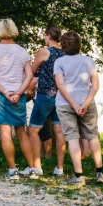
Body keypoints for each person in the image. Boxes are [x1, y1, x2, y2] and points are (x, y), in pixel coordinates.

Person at [53, 31, 103, 187]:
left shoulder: (59, 62)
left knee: (72, 138)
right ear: (79, 44)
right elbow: (95, 85)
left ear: (63, 45)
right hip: (87, 103)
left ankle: (79, 175)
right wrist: (85, 104)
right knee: (93, 136)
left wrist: (74, 105)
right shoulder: (88, 61)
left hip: (65, 104)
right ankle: (100, 173)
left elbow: (60, 85)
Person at [0, 19, 35, 180]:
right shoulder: (22, 51)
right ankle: (33, 169)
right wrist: (19, 93)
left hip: (0, 95)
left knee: (5, 133)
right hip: (18, 96)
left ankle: (13, 170)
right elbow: (29, 75)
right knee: (21, 132)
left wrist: (5, 92)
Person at [26, 26, 66, 178]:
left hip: (45, 95)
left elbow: (32, 70)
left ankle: (37, 166)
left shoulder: (45, 52)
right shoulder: (65, 53)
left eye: (45, 35)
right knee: (59, 131)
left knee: (33, 130)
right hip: (61, 96)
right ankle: (59, 168)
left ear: (49, 36)